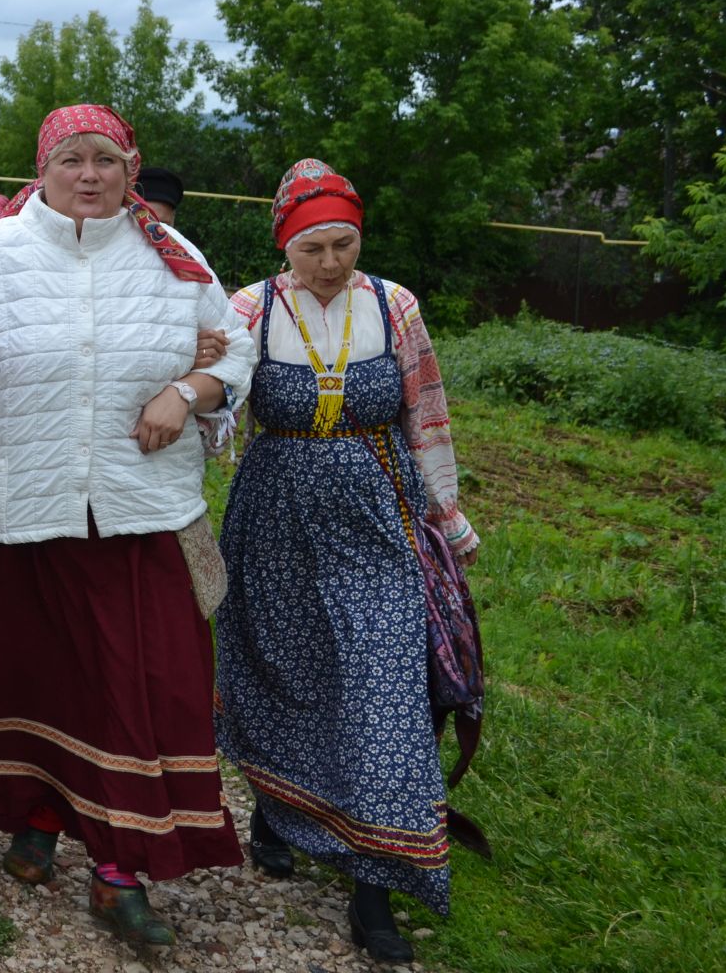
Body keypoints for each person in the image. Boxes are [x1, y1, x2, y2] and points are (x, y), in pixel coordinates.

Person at [0, 104, 255, 955]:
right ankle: (37, 818)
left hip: (137, 517)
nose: (91, 175)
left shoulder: (174, 263)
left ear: (131, 168)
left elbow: (234, 351)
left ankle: (119, 872)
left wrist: (187, 393)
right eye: (73, 159)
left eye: (107, 159)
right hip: (24, 516)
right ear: (44, 167)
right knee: (41, 684)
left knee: (135, 690)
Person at [214, 158, 480, 964]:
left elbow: (426, 412)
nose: (330, 263)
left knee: (385, 685)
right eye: (312, 249)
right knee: (285, 673)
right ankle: (278, 813)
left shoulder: (393, 307)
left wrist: (449, 517)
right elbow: (218, 407)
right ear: (284, 247)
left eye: (344, 244)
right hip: (276, 519)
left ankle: (375, 890)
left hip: (377, 517)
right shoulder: (248, 310)